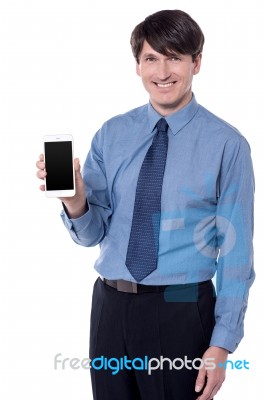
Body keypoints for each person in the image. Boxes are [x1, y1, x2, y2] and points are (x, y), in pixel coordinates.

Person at [36, 9, 255, 400]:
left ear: (196, 63)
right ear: (138, 65)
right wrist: (75, 199)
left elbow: (237, 255)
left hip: (181, 308)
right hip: (109, 307)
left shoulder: (227, 145)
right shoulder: (112, 134)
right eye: (152, 58)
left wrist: (223, 343)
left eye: (176, 57)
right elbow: (92, 235)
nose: (163, 71)